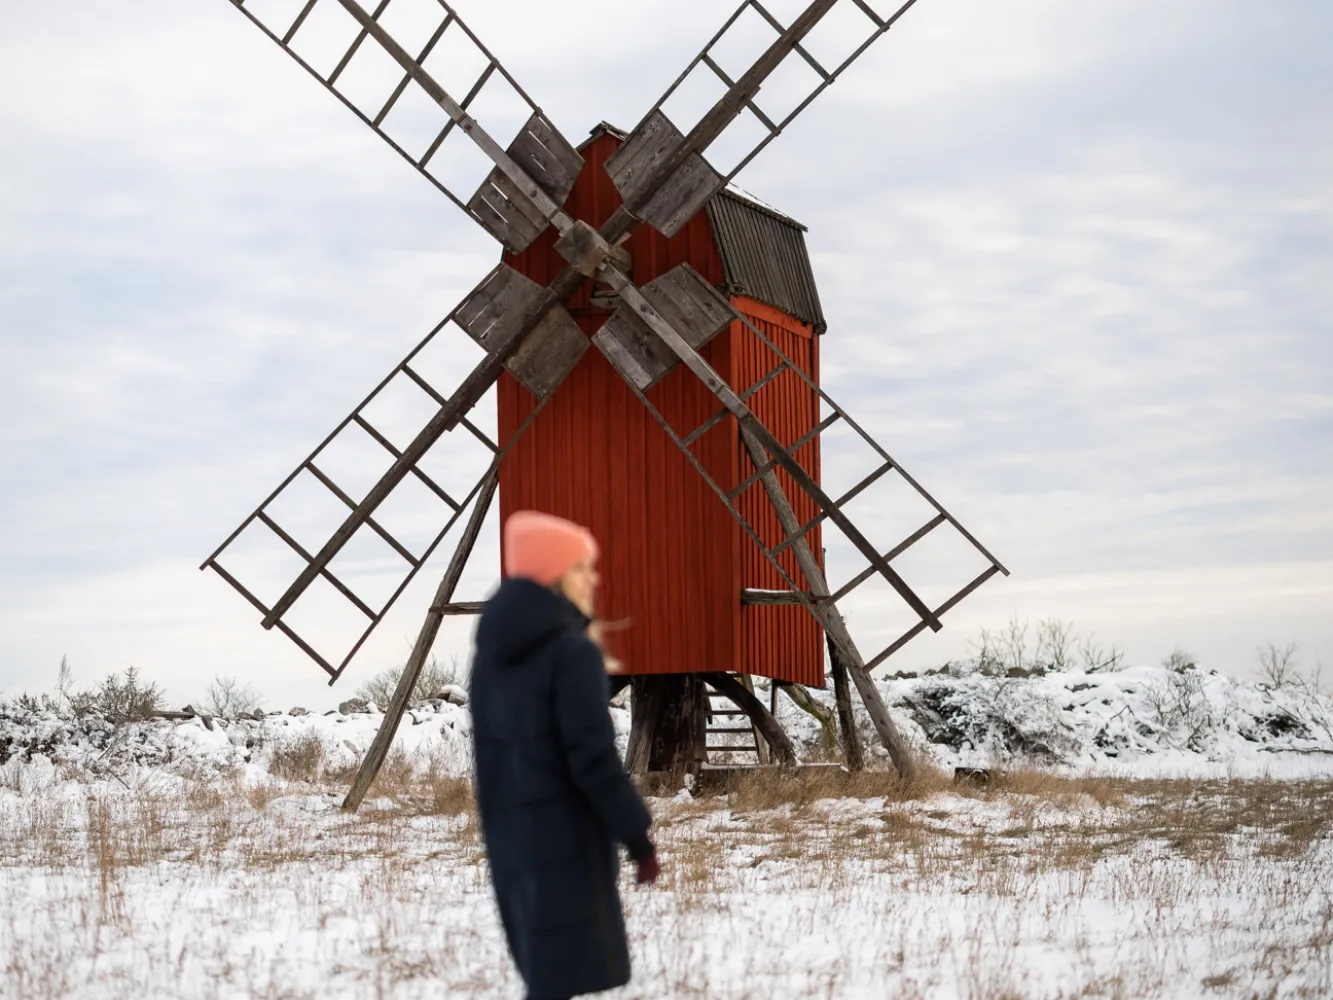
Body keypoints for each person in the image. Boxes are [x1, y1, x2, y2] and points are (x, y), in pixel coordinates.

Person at [470, 510, 660, 1000]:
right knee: (562, 979)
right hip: (566, 843)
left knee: (548, 979)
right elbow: (592, 759)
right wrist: (637, 836)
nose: (592, 578)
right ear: (555, 576)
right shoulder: (569, 653)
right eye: (581, 567)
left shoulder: (492, 656)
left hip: (513, 842)